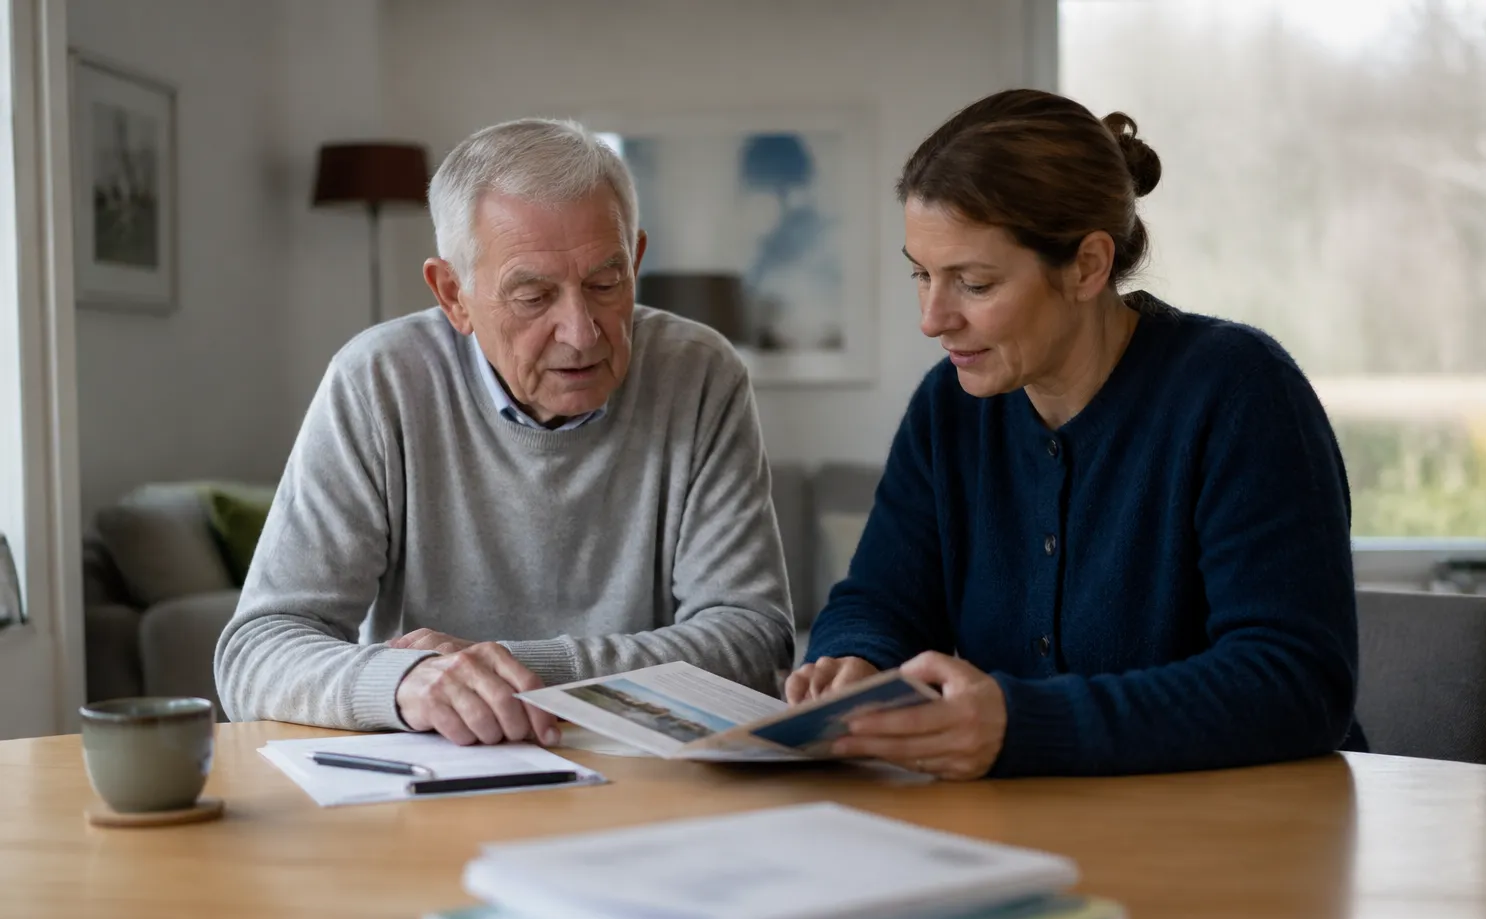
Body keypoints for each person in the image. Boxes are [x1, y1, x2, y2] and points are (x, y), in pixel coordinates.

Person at [784, 88, 1364, 779]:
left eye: (972, 283)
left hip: (1246, 833)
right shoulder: (950, 407)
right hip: (1032, 832)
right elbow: (880, 597)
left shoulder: (1238, 390)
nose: (933, 319)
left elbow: (1295, 685)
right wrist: (854, 657)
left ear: (1088, 265)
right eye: (922, 274)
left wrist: (1022, 722)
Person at [216, 119, 793, 745]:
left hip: (639, 774)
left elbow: (754, 642)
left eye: (605, 283)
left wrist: (522, 668)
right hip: (433, 777)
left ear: (637, 260)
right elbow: (255, 653)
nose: (581, 331)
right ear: (453, 295)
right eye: (533, 297)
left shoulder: (700, 373)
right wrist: (414, 682)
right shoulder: (379, 380)